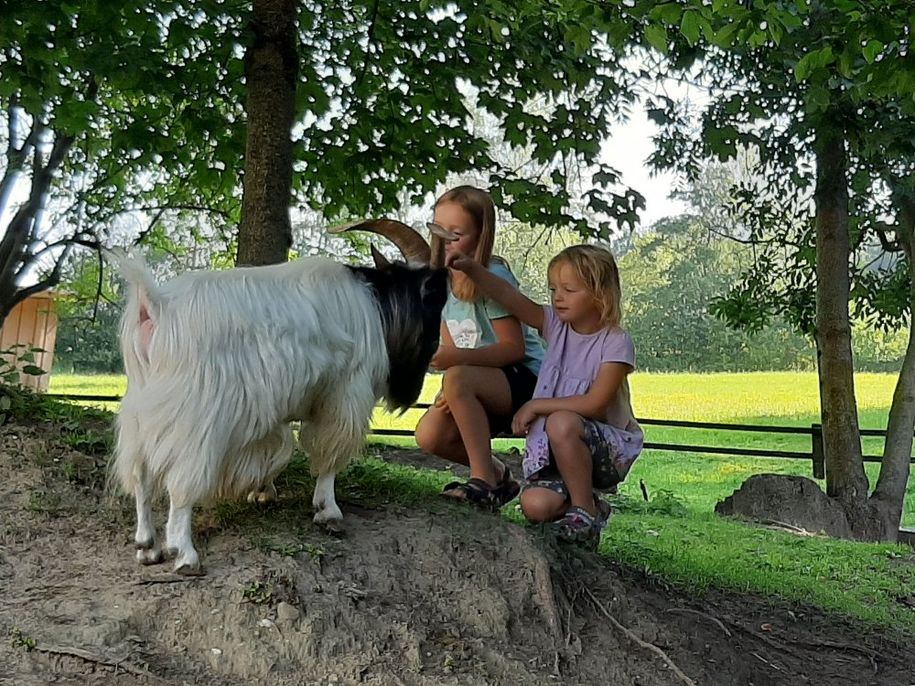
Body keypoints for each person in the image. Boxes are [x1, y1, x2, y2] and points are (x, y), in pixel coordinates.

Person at [446, 243, 643, 546]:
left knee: (561, 421)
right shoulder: (555, 326)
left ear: (599, 293)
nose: (557, 297)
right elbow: (510, 298)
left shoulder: (616, 342)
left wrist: (537, 405)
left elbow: (594, 404)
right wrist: (472, 269)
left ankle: (584, 515)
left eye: (569, 289)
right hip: (558, 449)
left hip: (605, 449)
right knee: (534, 507)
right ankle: (589, 504)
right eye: (553, 289)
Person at [414, 186, 544, 510]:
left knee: (458, 379)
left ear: (480, 236)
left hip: (527, 381)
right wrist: (449, 376)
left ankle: (482, 481)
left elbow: (513, 348)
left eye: (455, 235)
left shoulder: (490, 277)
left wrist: (456, 369)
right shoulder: (441, 283)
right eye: (438, 230)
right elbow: (449, 347)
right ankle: (499, 476)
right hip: (482, 381)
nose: (444, 241)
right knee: (429, 434)